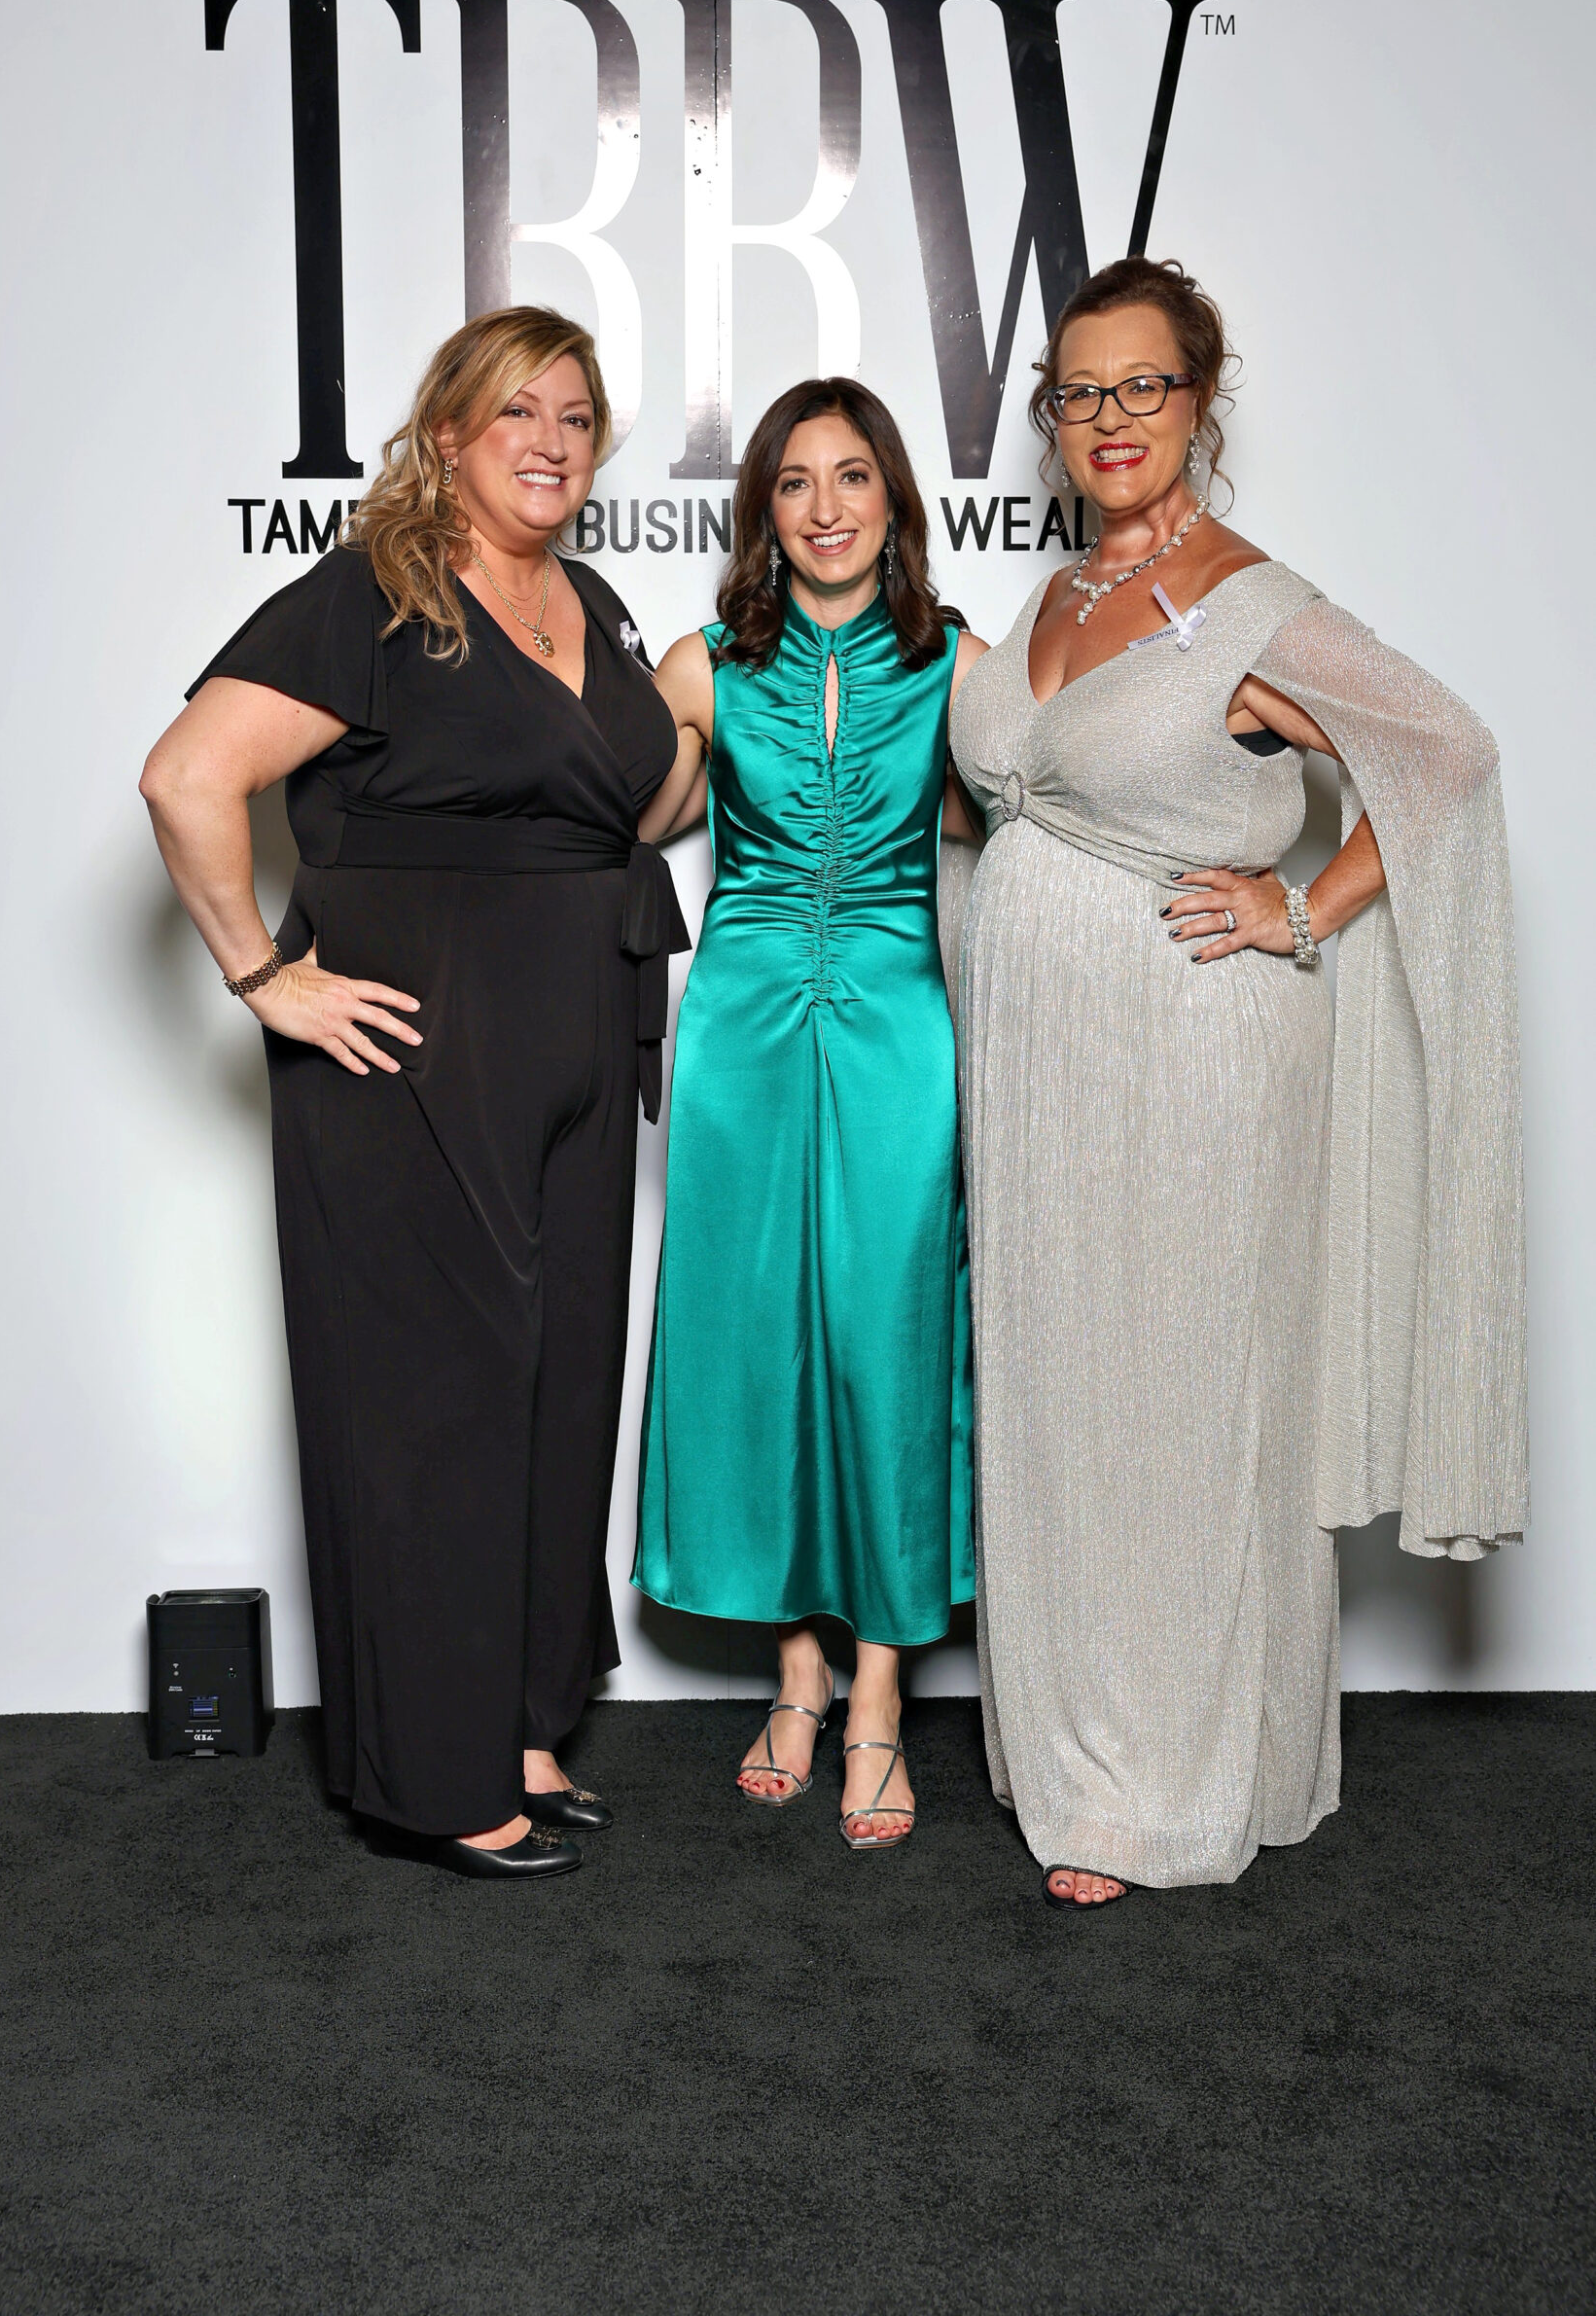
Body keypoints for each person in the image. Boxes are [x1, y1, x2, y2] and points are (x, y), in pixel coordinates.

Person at [949, 257, 1527, 1907]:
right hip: (1044, 1078)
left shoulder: (1253, 605)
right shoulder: (1056, 601)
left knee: (1191, 1405)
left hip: (1199, 1053)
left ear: (1200, 400)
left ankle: (1172, 1791)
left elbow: (1447, 754)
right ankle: (1082, 1752)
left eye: (1143, 385)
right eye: (1079, 391)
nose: (1109, 417)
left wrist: (1304, 907)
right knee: (1065, 1402)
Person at [140, 307, 684, 1881]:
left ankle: (520, 1726)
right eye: (518, 411)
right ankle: (437, 1777)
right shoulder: (373, 596)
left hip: (580, 1041)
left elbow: (624, 800)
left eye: (576, 417)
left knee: (560, 1384)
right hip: (418, 1060)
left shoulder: (590, 602)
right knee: (434, 1404)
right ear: (447, 434)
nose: (551, 441)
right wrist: (263, 973)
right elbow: (188, 775)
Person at [634, 378, 983, 1850]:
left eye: (852, 477)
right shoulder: (705, 661)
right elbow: (625, 819)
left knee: (890, 1331)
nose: (826, 508)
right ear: (762, 511)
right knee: (753, 1326)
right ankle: (798, 1674)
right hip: (744, 1023)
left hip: (902, 1022)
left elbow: (1024, 822)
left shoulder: (960, 661)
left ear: (894, 497)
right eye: (793, 482)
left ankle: (883, 1692)